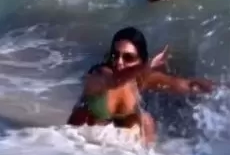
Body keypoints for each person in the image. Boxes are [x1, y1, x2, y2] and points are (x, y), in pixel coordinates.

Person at [67, 26, 214, 144]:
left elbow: (186, 85)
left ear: (140, 60)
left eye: (128, 57)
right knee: (144, 119)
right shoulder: (101, 73)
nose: (119, 62)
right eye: (115, 55)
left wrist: (223, 88)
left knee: (146, 121)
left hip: (115, 143)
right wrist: (148, 66)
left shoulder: (143, 78)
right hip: (82, 138)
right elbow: (116, 81)